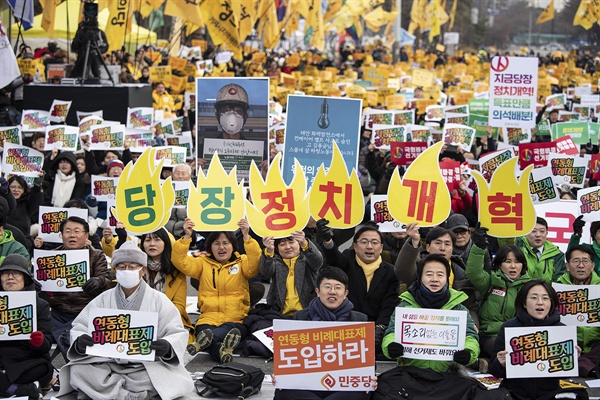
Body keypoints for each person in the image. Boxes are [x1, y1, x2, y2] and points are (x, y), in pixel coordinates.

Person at [57, 241, 194, 399]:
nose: (127, 270)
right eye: (122, 267)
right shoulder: (102, 299)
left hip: (145, 366)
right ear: (114, 270)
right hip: (107, 363)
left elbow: (176, 331)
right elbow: (79, 326)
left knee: (173, 378)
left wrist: (167, 346)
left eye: (132, 266)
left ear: (143, 270)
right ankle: (130, 394)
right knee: (79, 371)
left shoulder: (159, 300)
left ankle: (111, 391)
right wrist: (80, 340)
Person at [274, 267, 374, 400]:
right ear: (318, 292)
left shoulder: (358, 319)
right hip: (308, 385)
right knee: (283, 391)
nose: (332, 292)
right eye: (327, 287)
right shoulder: (301, 317)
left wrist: (370, 377)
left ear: (345, 293)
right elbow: (289, 358)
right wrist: (281, 375)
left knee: (363, 392)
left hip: (342, 386)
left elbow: (367, 360)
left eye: (338, 288)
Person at [171, 217, 260, 363]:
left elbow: (254, 266)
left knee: (226, 333)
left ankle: (204, 342)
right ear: (210, 246)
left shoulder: (242, 261)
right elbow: (180, 262)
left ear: (233, 245)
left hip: (235, 320)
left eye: (226, 243)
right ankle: (222, 350)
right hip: (207, 320)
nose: (221, 247)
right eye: (216, 243)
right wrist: (187, 236)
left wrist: (247, 237)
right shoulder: (202, 263)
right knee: (210, 336)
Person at [489, 279, 582, 400]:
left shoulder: (562, 331)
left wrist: (573, 361)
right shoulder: (509, 327)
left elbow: (565, 375)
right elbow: (494, 371)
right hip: (514, 393)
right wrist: (500, 363)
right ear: (524, 303)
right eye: (533, 298)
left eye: (545, 298)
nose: (540, 303)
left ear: (551, 303)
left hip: (549, 394)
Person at [317, 220, 399, 352]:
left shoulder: (390, 272)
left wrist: (379, 328)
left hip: (375, 328)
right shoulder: (347, 259)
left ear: (381, 247)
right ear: (355, 246)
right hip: (346, 326)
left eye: (374, 242)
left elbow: (389, 304)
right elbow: (334, 258)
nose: (369, 247)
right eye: (364, 242)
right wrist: (328, 241)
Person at [42, 216, 111, 357]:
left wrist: (99, 281)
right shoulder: (51, 257)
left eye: (77, 231)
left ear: (86, 235)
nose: (72, 235)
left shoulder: (97, 255)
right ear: (61, 235)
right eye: (68, 231)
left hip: (86, 311)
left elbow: (107, 280)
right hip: (58, 312)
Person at [465, 225, 530, 359]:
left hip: (518, 338)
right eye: (508, 262)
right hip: (490, 336)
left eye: (517, 262)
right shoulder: (490, 282)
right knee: (500, 349)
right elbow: (473, 272)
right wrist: (479, 247)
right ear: (500, 264)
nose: (513, 266)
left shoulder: (529, 288)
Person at [395, 223, 479, 325]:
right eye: (438, 243)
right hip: (419, 322)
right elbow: (402, 271)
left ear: (452, 249)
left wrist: (473, 323)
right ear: (428, 247)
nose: (442, 248)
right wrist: (414, 241)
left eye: (447, 244)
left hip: (451, 324)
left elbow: (470, 306)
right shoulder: (418, 266)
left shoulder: (461, 272)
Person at [0, 254, 53, 400]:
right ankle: (18, 390)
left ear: (26, 278)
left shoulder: (40, 305)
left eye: (16, 273)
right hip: (2, 359)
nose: (10, 277)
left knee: (41, 369)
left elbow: (47, 344)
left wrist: (39, 341)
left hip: (28, 360)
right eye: (5, 273)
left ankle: (8, 388)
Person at [140, 228, 195, 343]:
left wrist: (159, 318)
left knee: (172, 340)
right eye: (148, 240)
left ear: (166, 242)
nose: (152, 244)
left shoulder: (176, 270)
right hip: (140, 319)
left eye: (157, 239)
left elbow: (179, 305)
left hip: (169, 319)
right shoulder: (136, 268)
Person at [556, 245, 600, 377]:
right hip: (570, 343)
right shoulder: (556, 288)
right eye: (576, 261)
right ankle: (588, 366)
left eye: (585, 261)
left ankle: (582, 364)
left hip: (595, 343)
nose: (581, 265)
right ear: (567, 266)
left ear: (592, 266)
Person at [259, 231, 323, 315]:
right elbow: (265, 272)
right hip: (280, 315)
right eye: (282, 244)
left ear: (298, 243)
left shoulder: (307, 260)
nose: (288, 247)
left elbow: (317, 260)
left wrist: (304, 243)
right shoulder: (275, 263)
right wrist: (269, 250)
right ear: (277, 248)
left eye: (291, 242)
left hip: (308, 314)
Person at [515, 217, 565, 283]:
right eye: (533, 231)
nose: (538, 235)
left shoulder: (557, 255)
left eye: (542, 231)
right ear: (526, 232)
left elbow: (559, 281)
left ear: (547, 233)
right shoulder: (516, 246)